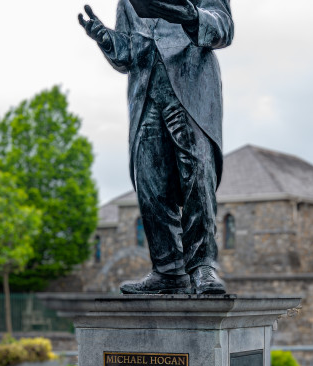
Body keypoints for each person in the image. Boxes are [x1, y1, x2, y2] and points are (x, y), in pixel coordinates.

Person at [78, 0, 233, 294]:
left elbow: (223, 27)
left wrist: (190, 15)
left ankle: (201, 266)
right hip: (147, 92)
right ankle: (168, 270)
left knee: (197, 175)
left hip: (189, 91)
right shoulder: (128, 3)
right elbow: (128, 54)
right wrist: (106, 38)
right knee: (149, 183)